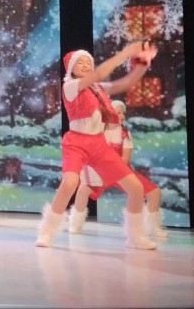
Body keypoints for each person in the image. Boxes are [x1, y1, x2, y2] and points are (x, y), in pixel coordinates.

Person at [35, 42, 159, 249]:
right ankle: (46, 232)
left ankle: (136, 237)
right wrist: (126, 52)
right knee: (69, 183)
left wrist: (143, 63)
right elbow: (100, 72)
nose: (85, 65)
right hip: (76, 142)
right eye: (80, 62)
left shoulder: (97, 89)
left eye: (88, 62)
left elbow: (125, 83)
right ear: (71, 68)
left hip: (99, 145)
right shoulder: (70, 86)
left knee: (136, 188)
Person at [69, 99, 167, 240]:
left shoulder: (124, 134)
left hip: (120, 171)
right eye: (118, 113)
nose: (122, 116)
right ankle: (75, 224)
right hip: (100, 171)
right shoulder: (97, 130)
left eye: (123, 113)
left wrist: (114, 173)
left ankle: (153, 228)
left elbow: (125, 159)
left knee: (154, 192)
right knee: (83, 189)